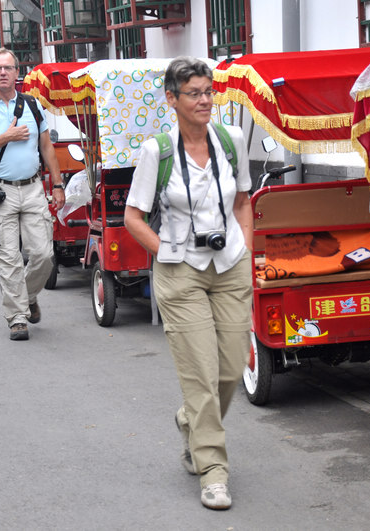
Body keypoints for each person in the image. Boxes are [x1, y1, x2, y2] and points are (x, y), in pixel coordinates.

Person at [124, 57, 253, 510]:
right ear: (172, 99)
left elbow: (242, 200)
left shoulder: (230, 140)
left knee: (231, 368)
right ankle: (213, 471)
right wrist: (166, 252)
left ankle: (190, 421)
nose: (204, 100)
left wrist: (247, 250)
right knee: (200, 373)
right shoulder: (156, 151)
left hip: (230, 264)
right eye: (194, 93)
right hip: (181, 271)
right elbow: (132, 218)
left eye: (208, 91)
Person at [0, 48, 65, 341]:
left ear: (16, 72)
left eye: (8, 67)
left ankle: (27, 296)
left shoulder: (33, 106)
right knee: (8, 259)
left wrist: (57, 185)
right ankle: (17, 318)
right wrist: (6, 137)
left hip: (33, 188)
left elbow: (47, 147)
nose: (3, 73)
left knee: (44, 255)